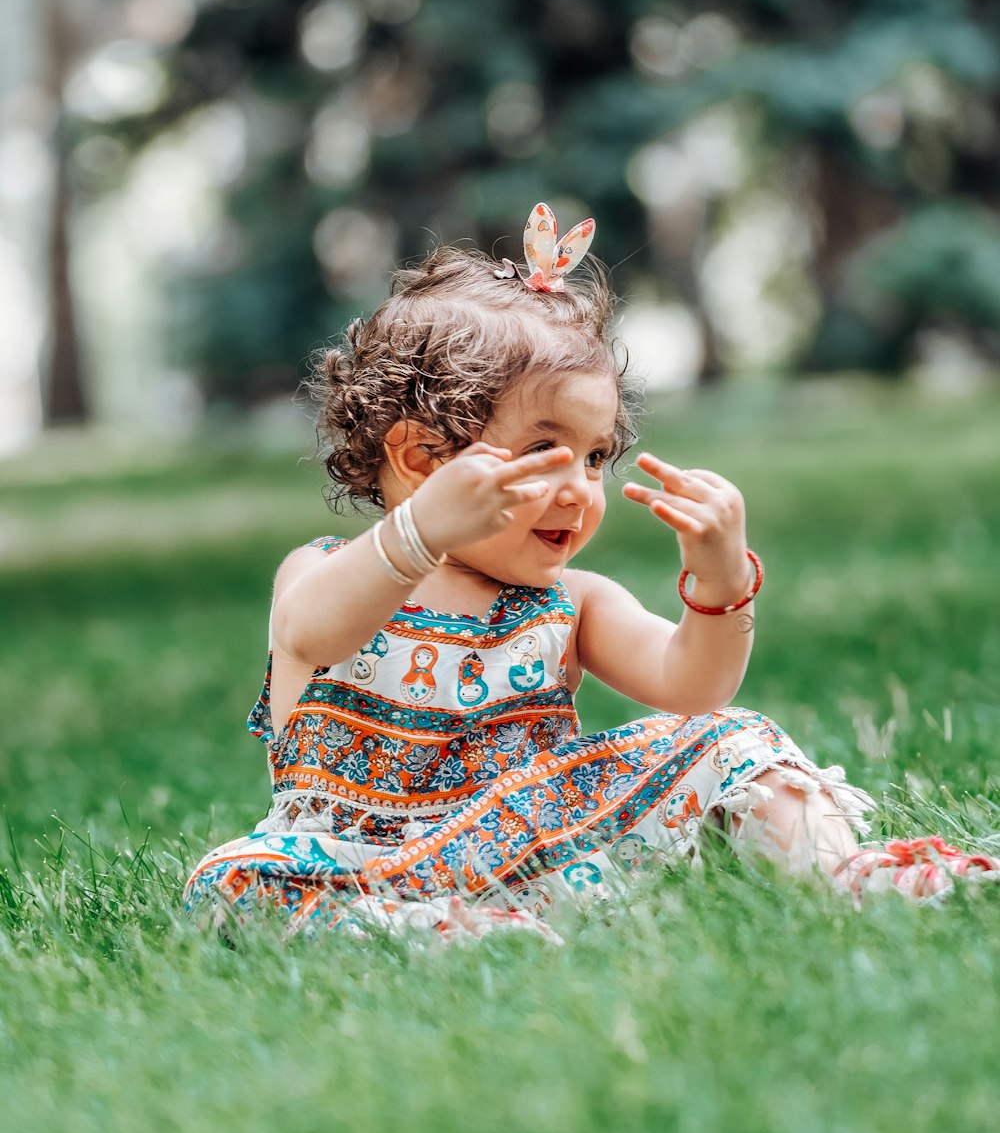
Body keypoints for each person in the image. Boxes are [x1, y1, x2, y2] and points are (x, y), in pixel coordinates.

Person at [184, 202, 999, 940]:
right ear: (422, 459)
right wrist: (420, 533)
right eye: (545, 450)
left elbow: (693, 686)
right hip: (353, 861)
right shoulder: (327, 572)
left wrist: (720, 579)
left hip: (535, 851)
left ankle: (847, 878)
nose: (580, 486)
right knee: (236, 887)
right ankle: (434, 935)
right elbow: (315, 630)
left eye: (596, 456)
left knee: (732, 736)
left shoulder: (570, 603)